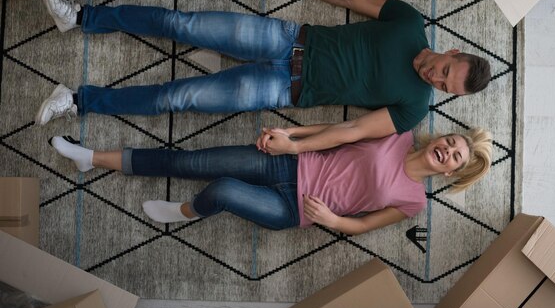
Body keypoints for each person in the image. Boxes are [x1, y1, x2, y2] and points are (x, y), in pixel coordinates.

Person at [37, 0, 491, 154]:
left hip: (282, 91)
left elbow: (352, 130)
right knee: (183, 24)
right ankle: (80, 16)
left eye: (445, 87)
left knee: (179, 97)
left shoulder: (415, 107)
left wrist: (296, 144)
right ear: (451, 51)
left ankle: (79, 102)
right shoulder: (410, 23)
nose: (435, 78)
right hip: (286, 38)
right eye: (446, 71)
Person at [48, 127, 492, 234]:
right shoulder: (401, 133)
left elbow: (365, 225)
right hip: (289, 165)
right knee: (191, 161)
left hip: (295, 210)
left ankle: (184, 212)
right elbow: (340, 129)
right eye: (452, 141)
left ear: (449, 171)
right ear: (442, 137)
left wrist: (333, 220)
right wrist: (292, 135)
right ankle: (91, 158)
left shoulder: (415, 200)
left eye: (454, 157)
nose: (449, 150)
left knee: (219, 191)